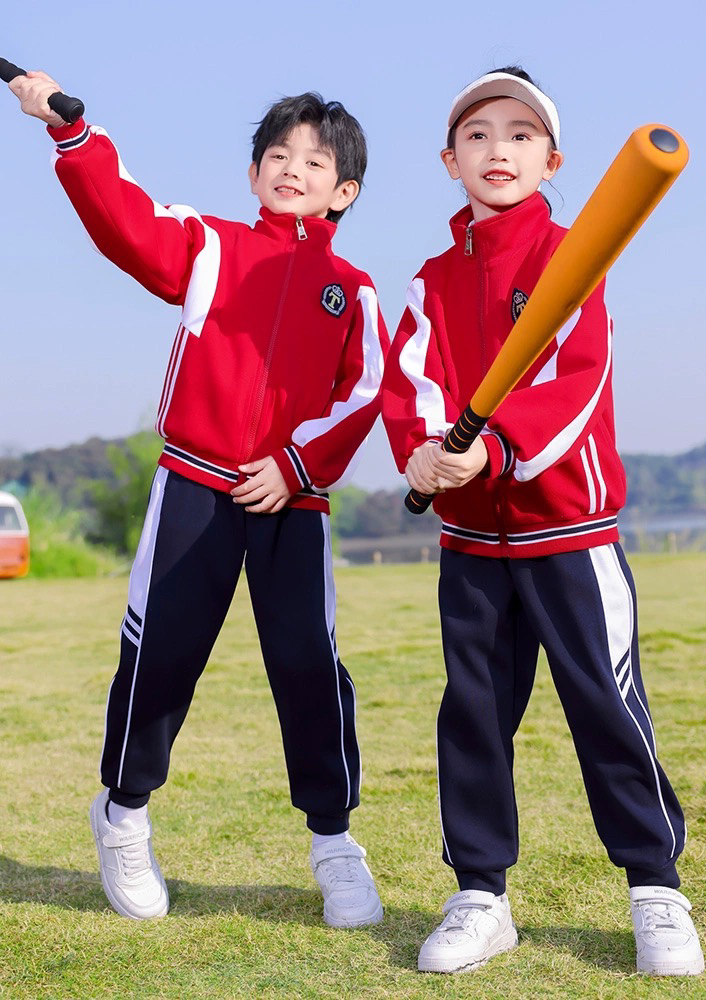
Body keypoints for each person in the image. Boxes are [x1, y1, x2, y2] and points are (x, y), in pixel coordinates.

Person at [9, 71, 389, 927]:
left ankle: (334, 842)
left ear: (344, 190)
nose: (293, 168)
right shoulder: (212, 246)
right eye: (277, 155)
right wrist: (71, 135)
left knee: (309, 668)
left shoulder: (355, 291)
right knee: (161, 655)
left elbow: (365, 392)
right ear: (255, 173)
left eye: (315, 160)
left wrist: (295, 465)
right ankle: (125, 812)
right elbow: (128, 227)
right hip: (194, 487)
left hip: (292, 504)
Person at [382, 66, 704, 976]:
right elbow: (415, 380)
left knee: (605, 704)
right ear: (451, 159)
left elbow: (576, 380)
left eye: (521, 136)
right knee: (475, 713)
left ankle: (656, 888)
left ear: (551, 159)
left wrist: (498, 446)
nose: (499, 150)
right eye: (478, 135)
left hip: (571, 532)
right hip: (473, 543)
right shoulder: (430, 282)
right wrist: (423, 449)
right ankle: (481, 893)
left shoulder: (575, 256)